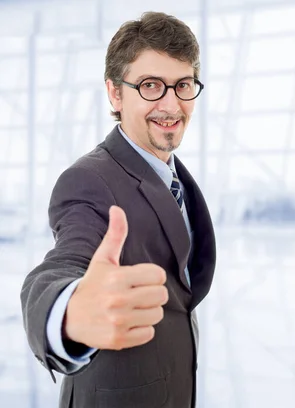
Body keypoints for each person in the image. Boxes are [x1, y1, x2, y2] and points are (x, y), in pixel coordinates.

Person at [20, 12, 216, 408]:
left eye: (182, 85)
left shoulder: (175, 176)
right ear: (115, 93)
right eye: (150, 86)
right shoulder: (89, 181)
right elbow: (61, 266)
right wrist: (69, 312)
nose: (171, 103)